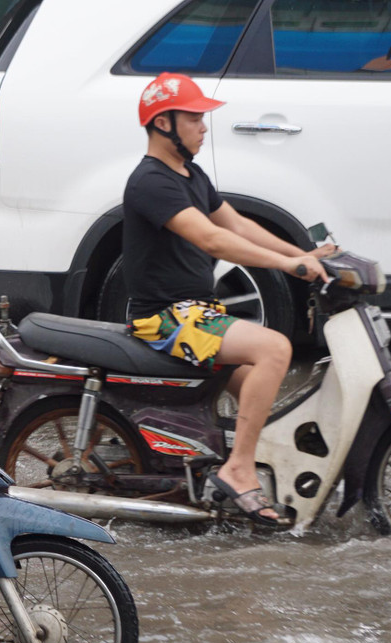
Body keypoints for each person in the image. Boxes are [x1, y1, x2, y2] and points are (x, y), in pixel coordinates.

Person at [125, 72, 336, 526]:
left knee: (259, 394)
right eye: (195, 117)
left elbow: (236, 224)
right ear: (164, 123)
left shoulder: (190, 174)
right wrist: (288, 267)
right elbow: (213, 240)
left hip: (198, 313)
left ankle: (232, 462)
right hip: (166, 318)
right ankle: (238, 469)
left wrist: (304, 254)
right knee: (274, 348)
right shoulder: (151, 182)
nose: (204, 126)